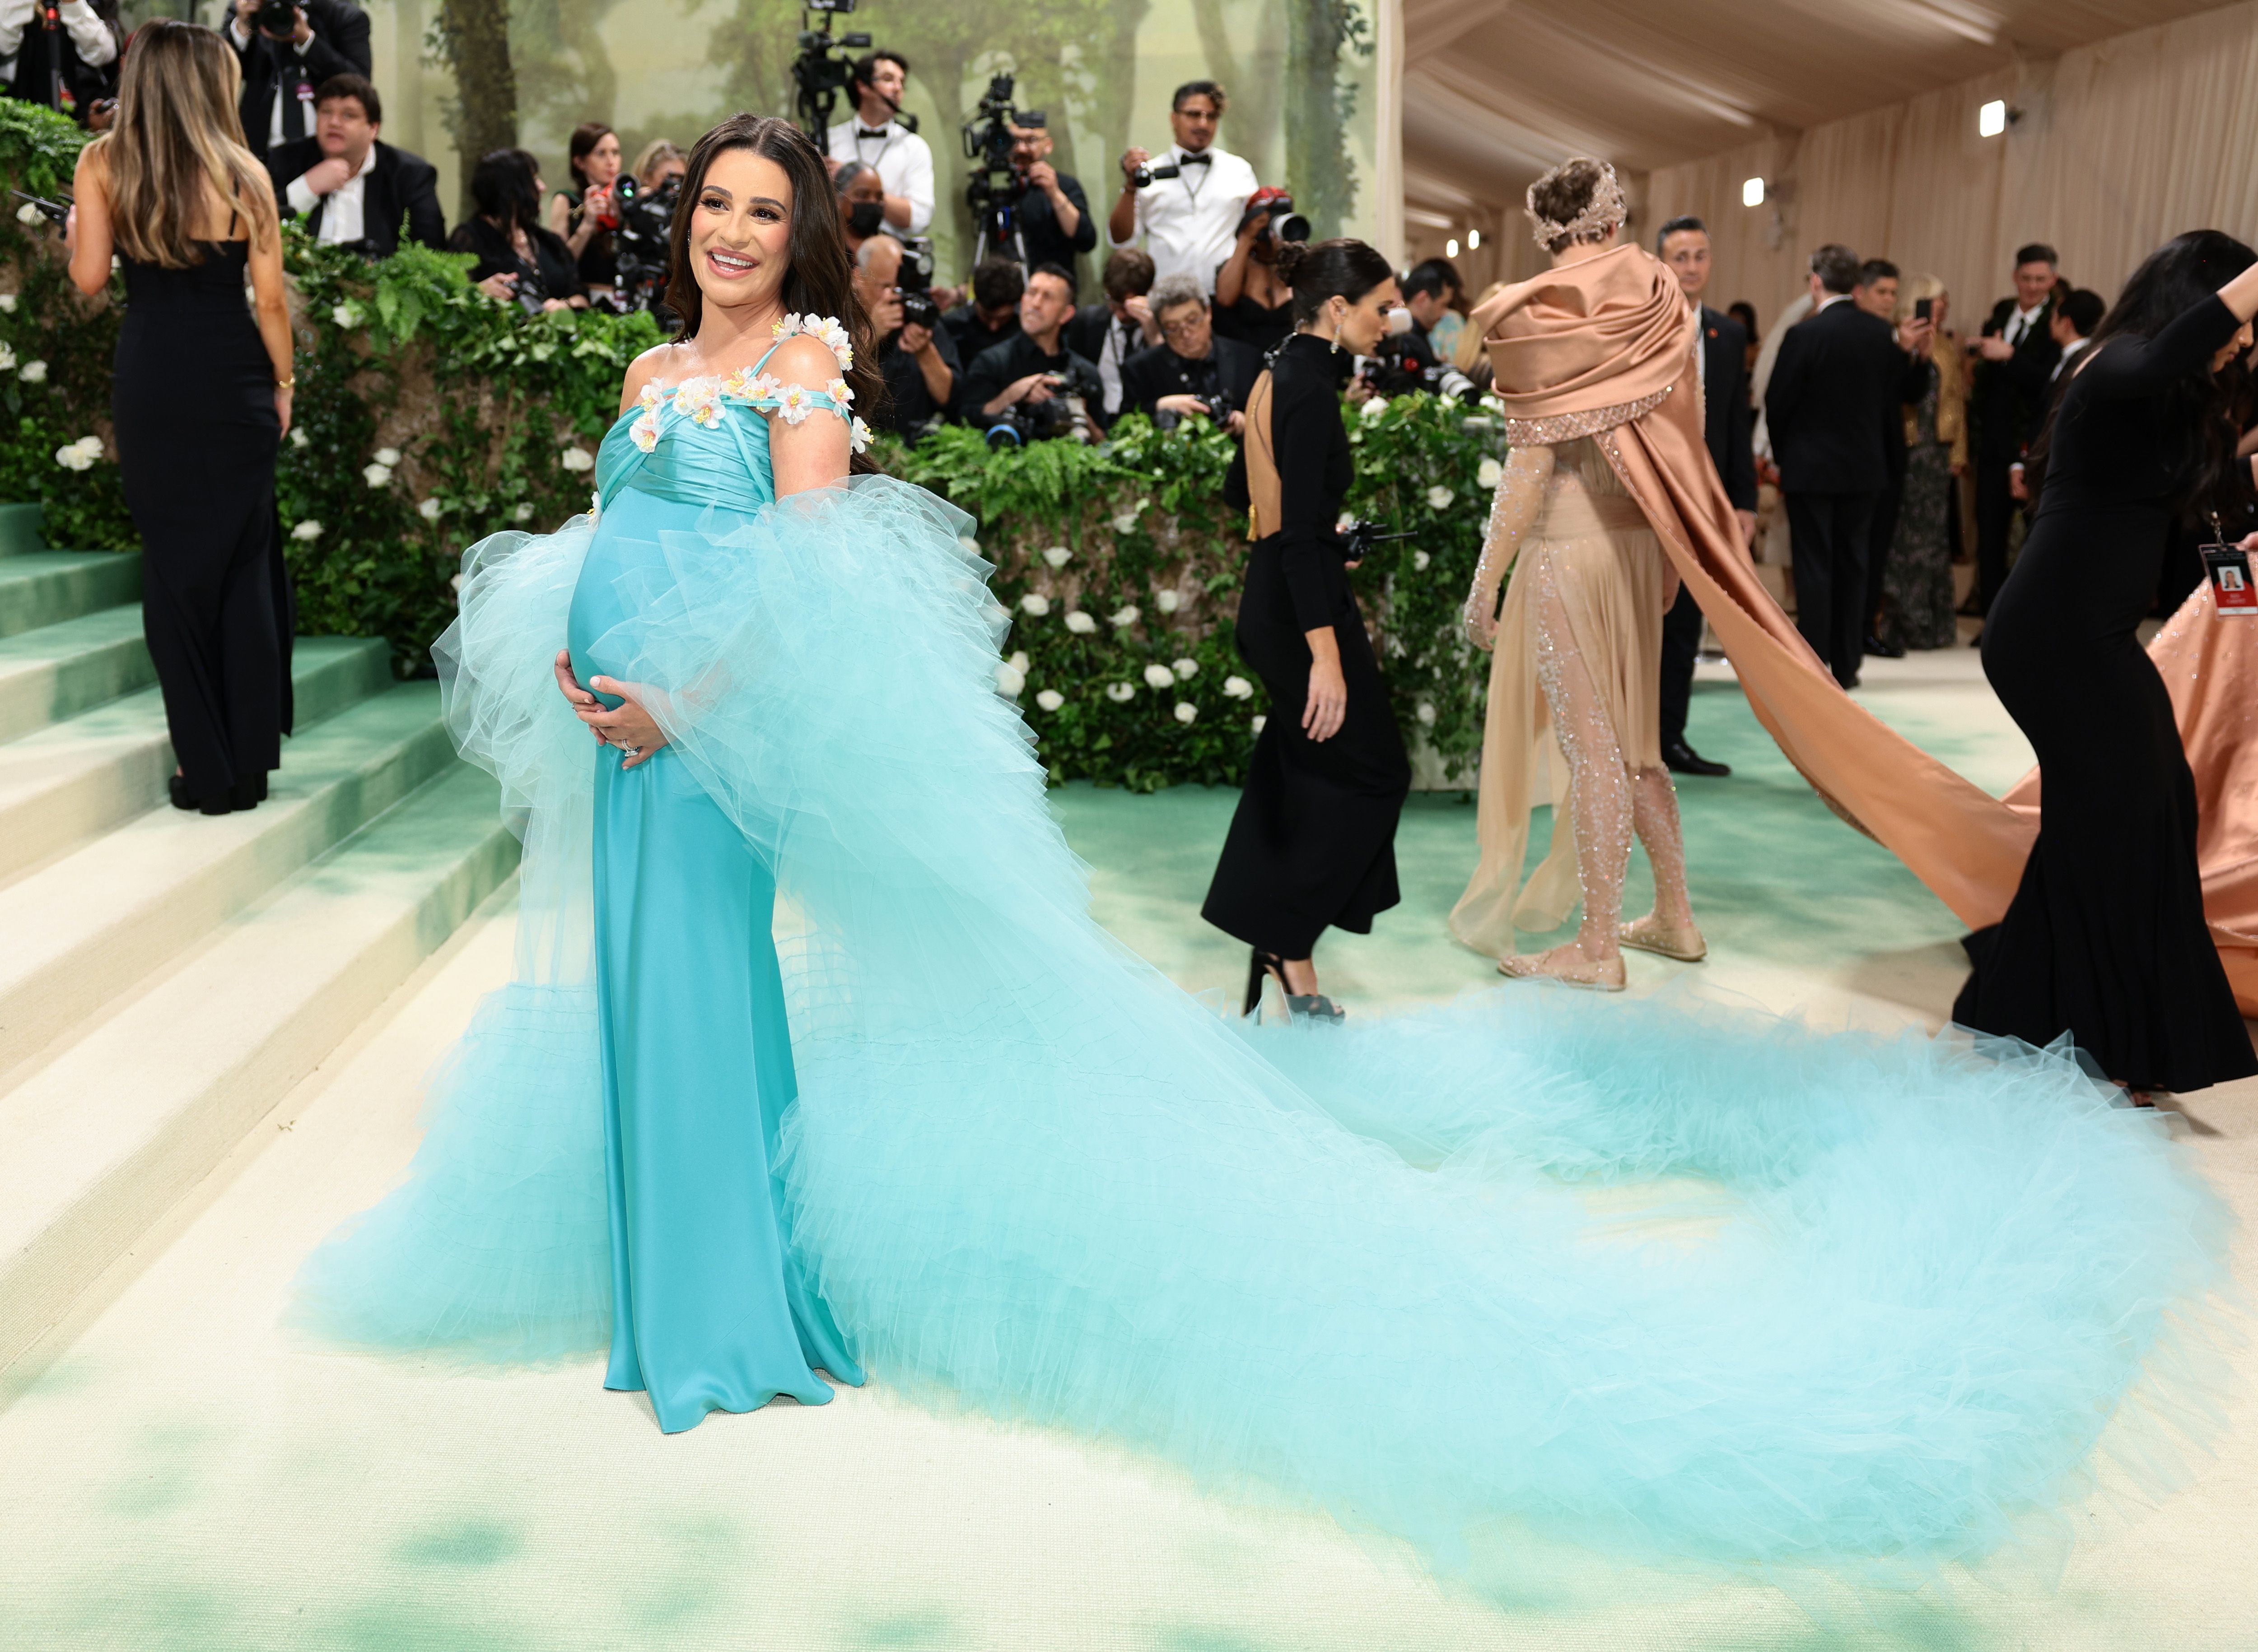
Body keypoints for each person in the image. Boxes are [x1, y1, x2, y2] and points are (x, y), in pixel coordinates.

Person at [289, 115, 2233, 1591]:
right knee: (640, 997)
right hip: (615, 728)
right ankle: (661, 1280)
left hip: (709, 743)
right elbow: (623, 531)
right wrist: (584, 660)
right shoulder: (644, 377)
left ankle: (729, 1313)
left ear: (797, 231)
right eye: (706, 209)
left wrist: (683, 703)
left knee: (711, 994)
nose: (728, 235)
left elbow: (796, 583)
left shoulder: (803, 371)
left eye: (756, 211)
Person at [1955, 232, 2258, 1098]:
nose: (2241, 343)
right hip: (2050, 637)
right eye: (2237, 318)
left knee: (2146, 805)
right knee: (2126, 815)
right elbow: (2174, 348)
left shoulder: (2160, 400)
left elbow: (2199, 495)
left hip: (2091, 637)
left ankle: (2035, 1005)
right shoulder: (2113, 362)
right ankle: (2114, 1038)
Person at [1451, 163, 1703, 988]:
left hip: (1571, 546)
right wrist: (1673, 555)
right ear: (1613, 218)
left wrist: (1486, 579)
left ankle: (1597, 946)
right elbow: (1682, 448)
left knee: (1594, 749)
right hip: (1639, 545)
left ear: (1546, 229)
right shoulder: (1664, 298)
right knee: (1636, 746)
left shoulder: (1542, 308)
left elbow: (1529, 468)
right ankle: (1674, 916)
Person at [66, 19, 293, 814]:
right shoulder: (247, 175)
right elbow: (268, 300)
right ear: (208, 84)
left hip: (154, 377)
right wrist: (284, 380)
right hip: (235, 379)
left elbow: (90, 277)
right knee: (242, 571)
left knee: (174, 574)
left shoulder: (103, 162)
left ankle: (205, 768)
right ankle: (250, 767)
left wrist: (76, 229)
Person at [1201, 237, 1410, 1014]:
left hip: (1280, 595)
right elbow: (1288, 530)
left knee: (1298, 766)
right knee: (1377, 770)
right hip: (1299, 613)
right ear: (1338, 308)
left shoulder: (1275, 369)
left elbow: (1242, 495)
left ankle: (1278, 943)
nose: (1390, 320)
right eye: (1380, 307)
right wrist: (1326, 654)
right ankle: (1287, 939)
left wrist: (1324, 530)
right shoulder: (1313, 388)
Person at [1765, 243, 1934, 687]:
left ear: (1815, 282)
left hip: (1809, 467)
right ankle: (1847, 663)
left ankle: (1813, 660)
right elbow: (1898, 395)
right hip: (1864, 468)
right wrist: (1916, 356)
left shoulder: (1804, 335)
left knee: (1813, 564)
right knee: (1853, 563)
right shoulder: (1879, 335)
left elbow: (1777, 401)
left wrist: (1785, 456)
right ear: (1855, 285)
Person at [1653, 214, 1754, 778]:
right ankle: (1628, 738)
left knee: (1687, 619)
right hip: (1647, 493)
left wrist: (1741, 500)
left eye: (1699, 256)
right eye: (1679, 256)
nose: (1690, 267)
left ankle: (1670, 738)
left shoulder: (1726, 333)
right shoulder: (1637, 327)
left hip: (1704, 498)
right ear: (1661, 263)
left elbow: (1737, 420)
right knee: (1642, 619)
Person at [1969, 244, 2062, 624]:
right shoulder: (2002, 312)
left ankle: (2025, 622)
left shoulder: (2058, 321)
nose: (2033, 286)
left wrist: (2010, 356)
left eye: (2041, 279)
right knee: (1989, 537)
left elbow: (2052, 381)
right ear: (2015, 277)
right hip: (1992, 444)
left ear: (2053, 280)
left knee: (2034, 540)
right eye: (2027, 278)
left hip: (2033, 445)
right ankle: (1990, 620)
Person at [1876, 275, 1970, 652]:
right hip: (1907, 447)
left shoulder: (1947, 344)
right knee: (1906, 540)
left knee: (1933, 540)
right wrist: (1912, 351)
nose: (1942, 306)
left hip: (1937, 451)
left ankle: (1934, 625)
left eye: (1945, 299)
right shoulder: (1896, 337)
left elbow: (1956, 402)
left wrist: (1959, 453)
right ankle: (1902, 621)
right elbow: (1897, 393)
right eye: (1934, 300)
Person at [262, 74, 443, 257]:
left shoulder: (409, 175)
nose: (334, 122)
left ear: (373, 129)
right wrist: (308, 187)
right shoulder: (285, 161)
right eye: (326, 112)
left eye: (348, 115)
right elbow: (258, 225)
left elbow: (431, 252)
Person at [1106, 79, 1256, 290]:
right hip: (1166, 297)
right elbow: (1120, 239)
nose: (1203, 124)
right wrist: (1131, 186)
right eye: (1194, 115)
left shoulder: (1239, 171)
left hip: (1227, 298)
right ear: (1174, 119)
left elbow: (1254, 233)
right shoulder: (1148, 172)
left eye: (1211, 117)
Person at [958, 261, 1102, 436]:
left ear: (1066, 314)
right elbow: (965, 423)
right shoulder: (991, 362)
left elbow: (1103, 444)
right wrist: (1013, 395)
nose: (1035, 304)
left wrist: (1077, 413)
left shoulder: (1086, 373)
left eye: (1047, 297)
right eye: (1032, 293)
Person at [223, 0, 370, 161]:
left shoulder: (344, 16)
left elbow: (359, 83)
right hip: (258, 147)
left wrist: (306, 40)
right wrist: (243, 26)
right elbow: (219, 74)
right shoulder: (250, 8)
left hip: (327, 153)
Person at [1852, 260, 1911, 659]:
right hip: (1856, 455)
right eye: (1882, 292)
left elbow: (1905, 395)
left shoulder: (1894, 338)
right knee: (1854, 549)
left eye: (1893, 293)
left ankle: (1865, 627)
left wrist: (1914, 355)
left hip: (1888, 456)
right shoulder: (1855, 335)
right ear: (1861, 291)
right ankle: (1844, 629)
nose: (1889, 300)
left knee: (1876, 550)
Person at [1119, 272, 1257, 432]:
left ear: (1209, 313)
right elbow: (1123, 429)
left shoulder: (1247, 359)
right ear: (1161, 329)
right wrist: (1160, 406)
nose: (1186, 334)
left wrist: (1245, 423)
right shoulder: (1140, 370)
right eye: (1173, 328)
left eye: (1192, 321)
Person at [449, 149, 583, 312]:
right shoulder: (471, 239)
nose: (543, 187)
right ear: (510, 190)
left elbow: (583, 296)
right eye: (534, 180)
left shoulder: (548, 241)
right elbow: (450, 298)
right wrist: (478, 291)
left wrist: (563, 306)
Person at [854, 232, 957, 437]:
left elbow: (949, 398)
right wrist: (871, 333)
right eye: (885, 286)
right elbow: (832, 383)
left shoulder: (920, 317)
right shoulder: (837, 321)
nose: (893, 295)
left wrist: (925, 351)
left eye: (900, 286)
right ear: (858, 278)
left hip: (919, 447)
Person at [823, 48, 933, 236]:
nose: (898, 88)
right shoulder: (829, 140)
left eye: (902, 82)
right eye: (888, 79)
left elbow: (919, 219)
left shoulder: (914, 146)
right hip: (833, 253)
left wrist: (852, 182)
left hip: (890, 254)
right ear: (863, 86)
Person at [1064, 247, 1160, 423]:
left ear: (1149, 293)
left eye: (1127, 307)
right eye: (1113, 302)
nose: (1120, 315)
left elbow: (1168, 380)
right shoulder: (1087, 323)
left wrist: (1153, 332)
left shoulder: (1163, 326)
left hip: (1147, 420)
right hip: (1098, 419)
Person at [994, 115, 1094, 272]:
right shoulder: (999, 189)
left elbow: (1086, 241)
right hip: (1006, 289)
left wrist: (1054, 193)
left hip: (1051, 286)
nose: (1021, 149)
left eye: (1031, 140)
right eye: (1015, 141)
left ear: (1048, 145)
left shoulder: (1065, 186)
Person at [0, 0, 118, 125]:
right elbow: (4, 46)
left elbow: (104, 55)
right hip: (21, 118)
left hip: (83, 114)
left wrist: (73, 4)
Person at [1212, 185, 1296, 356]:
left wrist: (1288, 249)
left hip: (1291, 363)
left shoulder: (1299, 265)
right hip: (1245, 364)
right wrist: (1246, 238)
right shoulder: (1239, 266)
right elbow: (1225, 299)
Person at [546, 121, 622, 304]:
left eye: (616, 152)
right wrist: (588, 224)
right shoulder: (567, 200)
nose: (611, 161)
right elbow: (557, 265)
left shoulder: (627, 199)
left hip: (626, 299)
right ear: (580, 162)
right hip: (583, 300)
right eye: (601, 154)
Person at [940, 255, 1022, 363]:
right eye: (987, 317)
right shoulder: (951, 327)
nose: (994, 327)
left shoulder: (1026, 328)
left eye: (1003, 319)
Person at [833, 158, 885, 261]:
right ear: (838, 198)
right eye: (863, 195)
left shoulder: (889, 251)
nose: (873, 202)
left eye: (879, 197)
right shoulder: (823, 250)